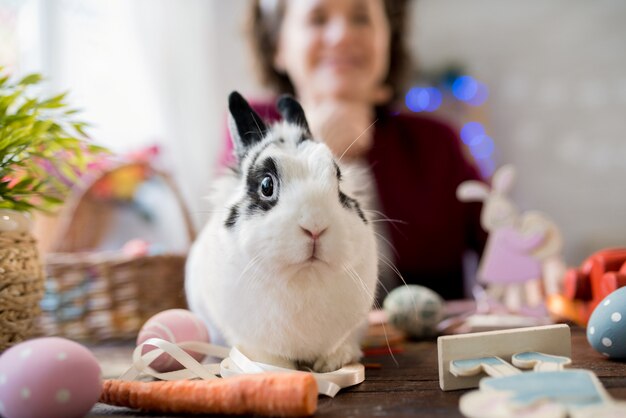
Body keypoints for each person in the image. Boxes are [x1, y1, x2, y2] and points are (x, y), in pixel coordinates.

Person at [223, 0, 485, 300]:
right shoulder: (252, 132)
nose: (342, 36)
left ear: (388, 37)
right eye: (317, 19)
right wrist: (317, 151)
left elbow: (502, 236)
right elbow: (228, 267)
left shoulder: (436, 141)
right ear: (277, 46)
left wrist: (535, 260)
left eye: (361, 18)